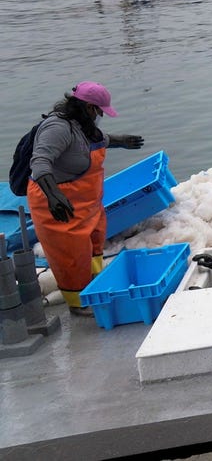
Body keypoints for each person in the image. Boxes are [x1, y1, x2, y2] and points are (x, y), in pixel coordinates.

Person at [27, 82, 145, 315]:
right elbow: (39, 163)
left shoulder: (83, 126)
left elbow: (95, 141)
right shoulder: (57, 128)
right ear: (89, 108)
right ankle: (79, 303)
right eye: (100, 111)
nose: (101, 116)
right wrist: (54, 196)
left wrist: (121, 141)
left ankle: (94, 287)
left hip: (87, 204)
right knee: (71, 255)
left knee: (92, 246)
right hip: (59, 203)